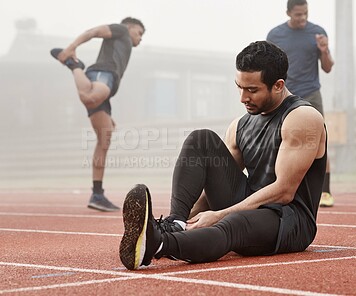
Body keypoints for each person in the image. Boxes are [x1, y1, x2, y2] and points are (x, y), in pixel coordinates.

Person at [119, 40, 327, 270]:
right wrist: (190, 217)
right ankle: (172, 225)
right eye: (239, 87)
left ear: (278, 85)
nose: (243, 97)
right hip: (250, 204)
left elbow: (284, 191)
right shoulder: (240, 125)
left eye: (252, 90)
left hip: (289, 221)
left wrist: (217, 215)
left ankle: (159, 244)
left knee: (232, 222)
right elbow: (214, 184)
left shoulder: (303, 118)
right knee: (201, 139)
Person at [50, 17, 145, 212]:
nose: (140, 38)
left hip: (108, 86)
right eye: (139, 33)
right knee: (90, 97)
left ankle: (97, 194)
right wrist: (70, 48)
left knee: (105, 138)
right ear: (130, 27)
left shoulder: (124, 42)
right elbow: (93, 32)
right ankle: (73, 64)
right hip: (103, 73)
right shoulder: (121, 30)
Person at [266, 0, 335, 207]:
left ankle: (325, 191)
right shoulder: (275, 35)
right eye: (298, 15)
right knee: (278, 140)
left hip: (311, 93)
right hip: (285, 94)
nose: (302, 18)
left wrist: (324, 50)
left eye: (305, 14)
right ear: (288, 13)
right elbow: (268, 66)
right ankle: (275, 188)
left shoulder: (318, 33)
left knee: (319, 141)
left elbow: (328, 67)